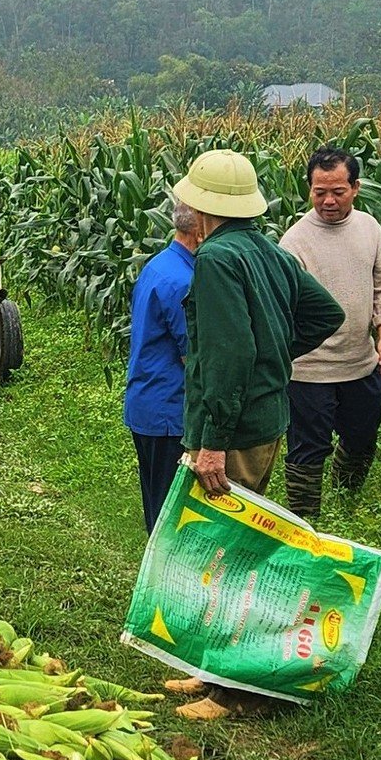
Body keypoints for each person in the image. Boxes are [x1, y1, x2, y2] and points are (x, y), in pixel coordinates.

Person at [176, 149, 344, 500]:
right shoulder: (271, 251)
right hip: (267, 422)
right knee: (245, 528)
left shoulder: (216, 258)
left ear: (200, 204)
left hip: (235, 433)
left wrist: (213, 443)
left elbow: (229, 355)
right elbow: (327, 313)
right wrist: (275, 349)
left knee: (216, 541)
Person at [279, 145, 381, 523]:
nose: (328, 200)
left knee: (362, 439)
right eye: (319, 192)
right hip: (310, 371)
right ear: (309, 189)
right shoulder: (294, 241)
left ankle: (347, 504)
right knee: (307, 450)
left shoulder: (369, 228)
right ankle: (305, 523)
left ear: (355, 187)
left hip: (361, 362)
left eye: (337, 191)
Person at [123, 197, 212, 531]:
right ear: (200, 232)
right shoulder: (183, 281)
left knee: (155, 502)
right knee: (169, 512)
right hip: (170, 411)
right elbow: (193, 356)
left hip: (148, 403)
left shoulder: (159, 264)